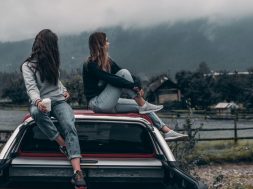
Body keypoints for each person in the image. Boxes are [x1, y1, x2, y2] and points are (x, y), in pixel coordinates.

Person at [82, 32, 187, 141]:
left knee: (141, 108)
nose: (109, 43)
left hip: (108, 102)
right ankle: (142, 103)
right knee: (123, 73)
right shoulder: (90, 64)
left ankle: (167, 131)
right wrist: (133, 87)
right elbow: (111, 78)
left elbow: (125, 74)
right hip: (97, 103)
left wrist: (138, 85)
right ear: (100, 44)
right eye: (107, 41)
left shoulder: (107, 61)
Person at [21, 29, 87, 188]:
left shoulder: (52, 61)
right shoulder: (28, 65)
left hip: (59, 101)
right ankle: (63, 144)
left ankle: (78, 173)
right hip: (41, 102)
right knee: (35, 112)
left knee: (69, 125)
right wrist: (38, 102)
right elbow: (31, 88)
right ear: (48, 45)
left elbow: (56, 82)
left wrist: (64, 90)